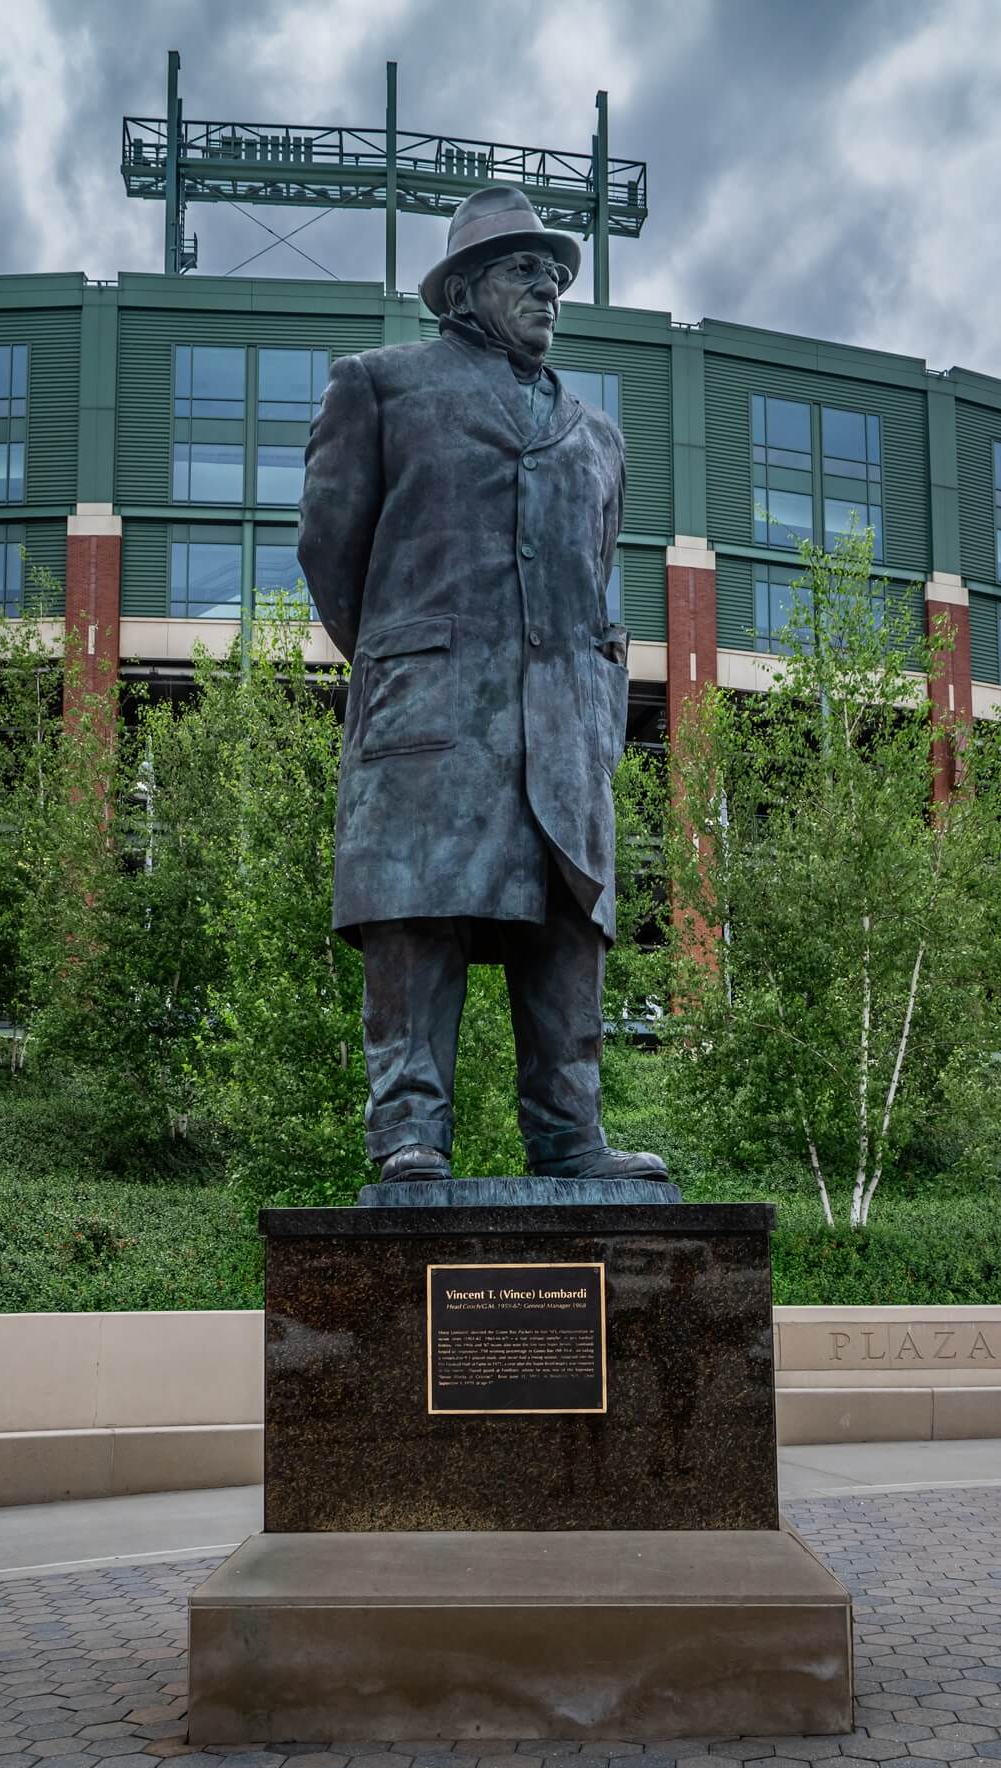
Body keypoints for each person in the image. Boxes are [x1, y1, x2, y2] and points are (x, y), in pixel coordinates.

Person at [298, 185, 668, 1186]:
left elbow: (589, 575)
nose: (549, 291)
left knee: (567, 927)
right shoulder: (379, 386)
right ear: (463, 289)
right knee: (417, 915)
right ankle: (408, 1130)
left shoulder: (599, 437)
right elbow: (331, 555)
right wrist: (415, 662)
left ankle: (572, 1134)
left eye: (556, 277)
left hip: (565, 726)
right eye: (524, 272)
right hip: (429, 715)